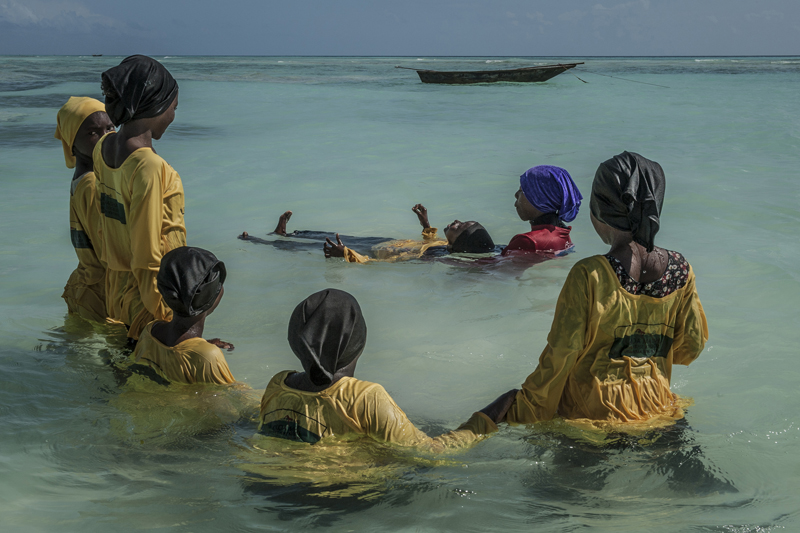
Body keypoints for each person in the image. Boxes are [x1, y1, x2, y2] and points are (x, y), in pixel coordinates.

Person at [504, 152, 708, 430]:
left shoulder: (590, 273)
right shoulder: (682, 270)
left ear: (600, 208)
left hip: (593, 417)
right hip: (659, 410)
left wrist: (527, 410)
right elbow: (689, 350)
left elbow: (560, 359)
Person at [258, 288, 518, 450]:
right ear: (358, 341)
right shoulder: (366, 397)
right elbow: (432, 454)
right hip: (337, 501)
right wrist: (487, 417)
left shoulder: (278, 384)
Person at [95, 55, 187, 342]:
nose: (174, 115)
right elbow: (147, 254)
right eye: (173, 107)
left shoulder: (103, 147)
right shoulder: (149, 166)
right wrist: (168, 317)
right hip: (149, 296)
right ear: (156, 106)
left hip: (117, 287)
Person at [131, 247, 235, 385]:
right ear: (209, 298)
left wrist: (201, 346)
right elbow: (233, 396)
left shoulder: (150, 331)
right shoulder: (208, 356)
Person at [55, 97, 116, 323]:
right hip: (100, 294)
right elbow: (107, 250)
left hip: (87, 286)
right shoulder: (91, 184)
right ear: (72, 142)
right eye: (93, 133)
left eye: (110, 128)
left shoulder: (85, 178)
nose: (105, 137)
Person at [255, 206, 494, 263]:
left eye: (459, 226)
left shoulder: (434, 256)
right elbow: (431, 240)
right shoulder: (443, 244)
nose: (456, 221)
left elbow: (383, 263)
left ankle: (261, 242)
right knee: (327, 233)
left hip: (371, 251)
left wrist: (347, 254)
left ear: (458, 242)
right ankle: (285, 234)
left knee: (312, 247)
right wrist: (426, 224)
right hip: (383, 241)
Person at [503, 165, 582, 257]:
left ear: (539, 198)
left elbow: (491, 268)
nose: (516, 195)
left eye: (522, 191)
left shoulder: (528, 241)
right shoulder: (563, 234)